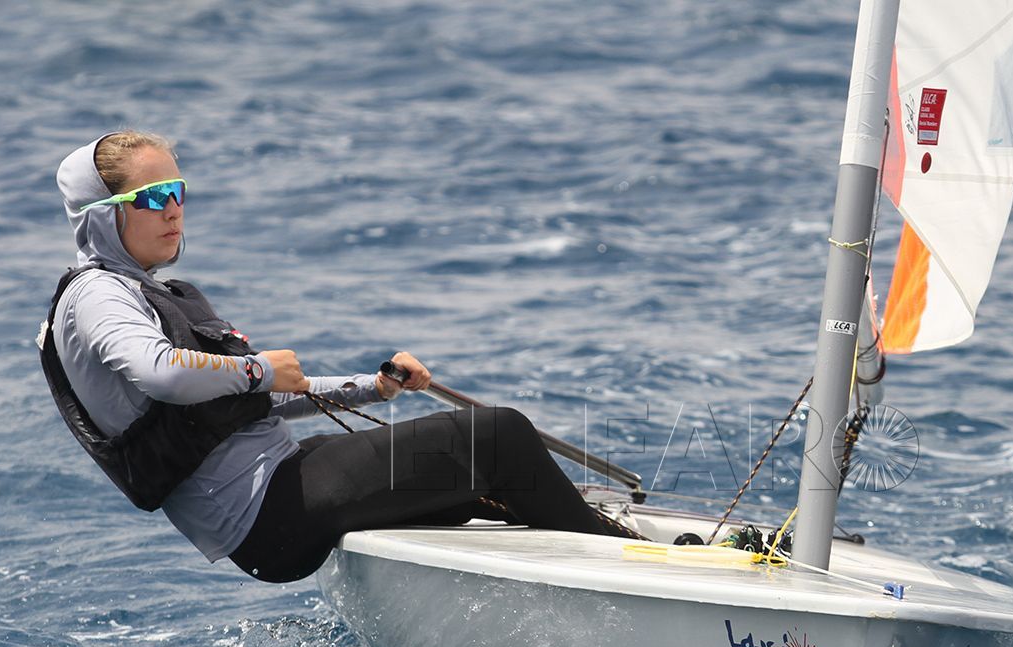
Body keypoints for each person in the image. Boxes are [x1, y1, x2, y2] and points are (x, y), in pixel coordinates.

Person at [42, 131, 626, 584]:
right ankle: (620, 565)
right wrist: (259, 369)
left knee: (471, 481)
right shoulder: (97, 295)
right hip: (266, 514)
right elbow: (164, 374)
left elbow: (242, 402)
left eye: (179, 192)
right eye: (152, 198)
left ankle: (590, 539)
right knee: (497, 436)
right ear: (103, 213)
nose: (174, 210)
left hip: (277, 491)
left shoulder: (146, 291)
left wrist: (374, 386)